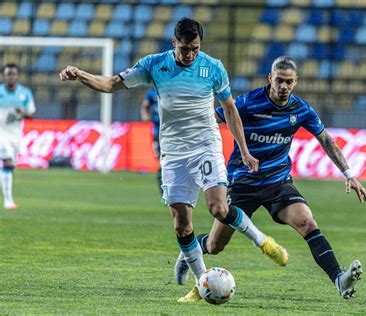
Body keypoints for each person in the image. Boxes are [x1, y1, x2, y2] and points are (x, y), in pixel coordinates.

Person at [59, 18, 288, 302]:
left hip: (205, 145)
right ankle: (201, 282)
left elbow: (230, 109)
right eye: (184, 48)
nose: (189, 54)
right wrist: (80, 74)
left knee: (218, 207)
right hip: (173, 153)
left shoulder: (213, 67)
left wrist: (244, 150)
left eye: (194, 48)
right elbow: (111, 84)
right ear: (174, 43)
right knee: (182, 225)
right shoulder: (154, 65)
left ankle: (263, 241)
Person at [175, 56, 366, 300]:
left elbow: (326, 140)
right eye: (279, 81)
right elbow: (213, 119)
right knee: (215, 246)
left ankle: (339, 279)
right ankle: (190, 251)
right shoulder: (248, 103)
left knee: (307, 223)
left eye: (289, 82)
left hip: (278, 183)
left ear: (296, 82)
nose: (283, 86)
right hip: (242, 183)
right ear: (270, 78)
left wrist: (349, 174)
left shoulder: (301, 109)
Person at [0, 63, 36, 210]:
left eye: (13, 74)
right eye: (8, 74)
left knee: (10, 165)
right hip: (1, 131)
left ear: (17, 76)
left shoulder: (25, 93)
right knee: (7, 162)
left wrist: (21, 113)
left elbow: (31, 114)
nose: (11, 77)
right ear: (4, 76)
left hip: (15, 133)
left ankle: (6, 191)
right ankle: (8, 201)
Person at [140, 87, 162, 194]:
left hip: (173, 132)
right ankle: (164, 190)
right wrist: (145, 115)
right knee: (162, 162)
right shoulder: (152, 92)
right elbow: (145, 105)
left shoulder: (170, 86)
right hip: (157, 132)